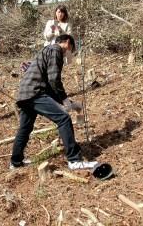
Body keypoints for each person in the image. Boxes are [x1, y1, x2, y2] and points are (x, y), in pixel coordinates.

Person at [9, 34, 98, 171]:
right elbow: (54, 80)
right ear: (68, 42)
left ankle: (15, 162)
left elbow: (50, 86)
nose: (69, 53)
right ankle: (74, 160)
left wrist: (67, 101)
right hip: (35, 92)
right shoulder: (56, 50)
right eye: (71, 49)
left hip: (24, 93)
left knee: (25, 128)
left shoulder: (46, 50)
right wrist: (64, 100)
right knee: (63, 118)